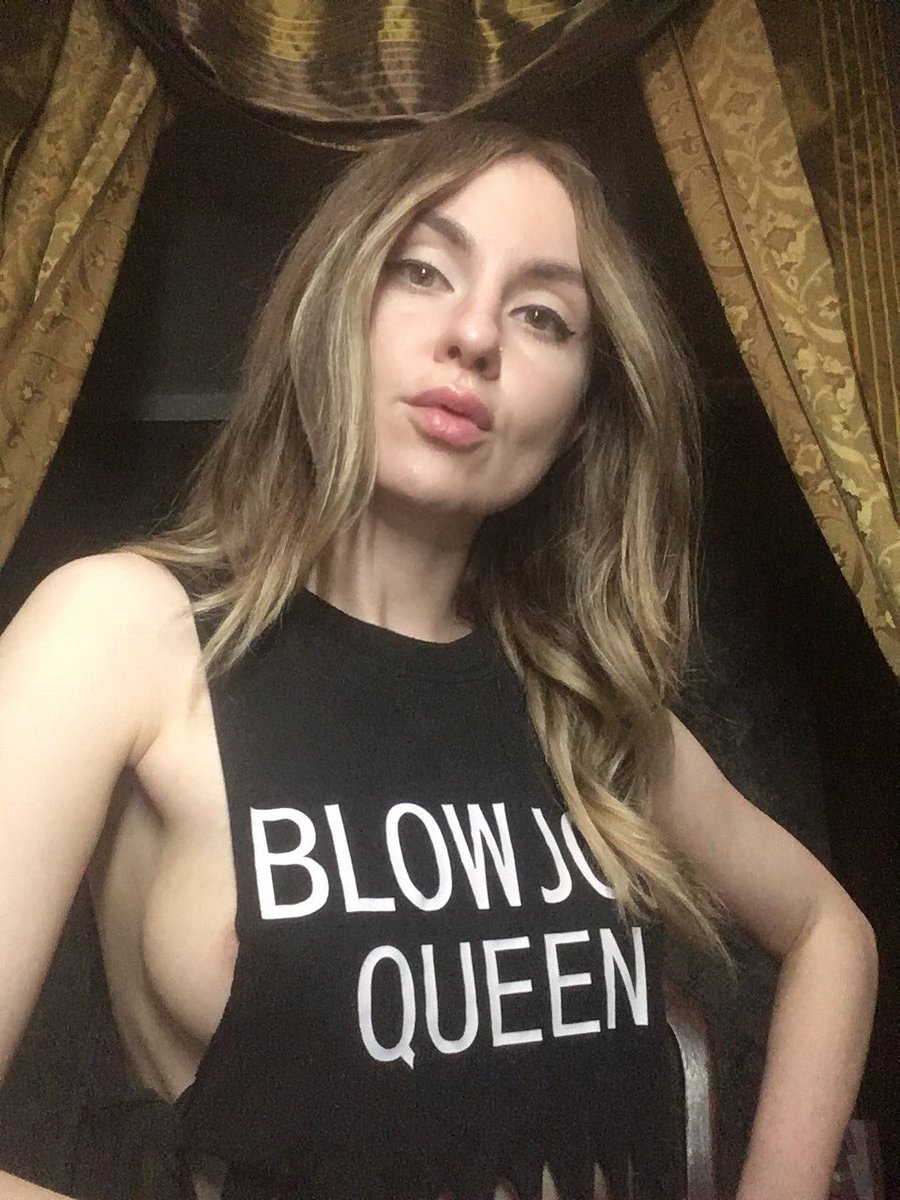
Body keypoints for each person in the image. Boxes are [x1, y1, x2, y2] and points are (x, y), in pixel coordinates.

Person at [0, 119, 877, 1200]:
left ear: (580, 415)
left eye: (542, 315)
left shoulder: (584, 704)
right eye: (422, 269)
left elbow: (830, 930)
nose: (474, 336)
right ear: (334, 305)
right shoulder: (121, 631)